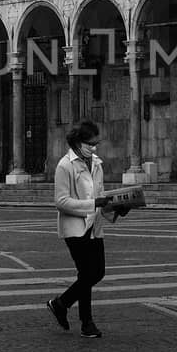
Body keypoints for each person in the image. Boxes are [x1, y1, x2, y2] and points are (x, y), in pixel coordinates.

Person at [48, 119, 120, 338]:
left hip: (94, 226)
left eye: (96, 143)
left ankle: (61, 304)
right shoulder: (65, 165)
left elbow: (100, 196)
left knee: (96, 273)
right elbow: (61, 201)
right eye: (90, 143)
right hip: (75, 228)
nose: (94, 147)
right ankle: (86, 323)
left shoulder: (96, 163)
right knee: (88, 274)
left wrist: (117, 208)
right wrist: (92, 205)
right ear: (78, 143)